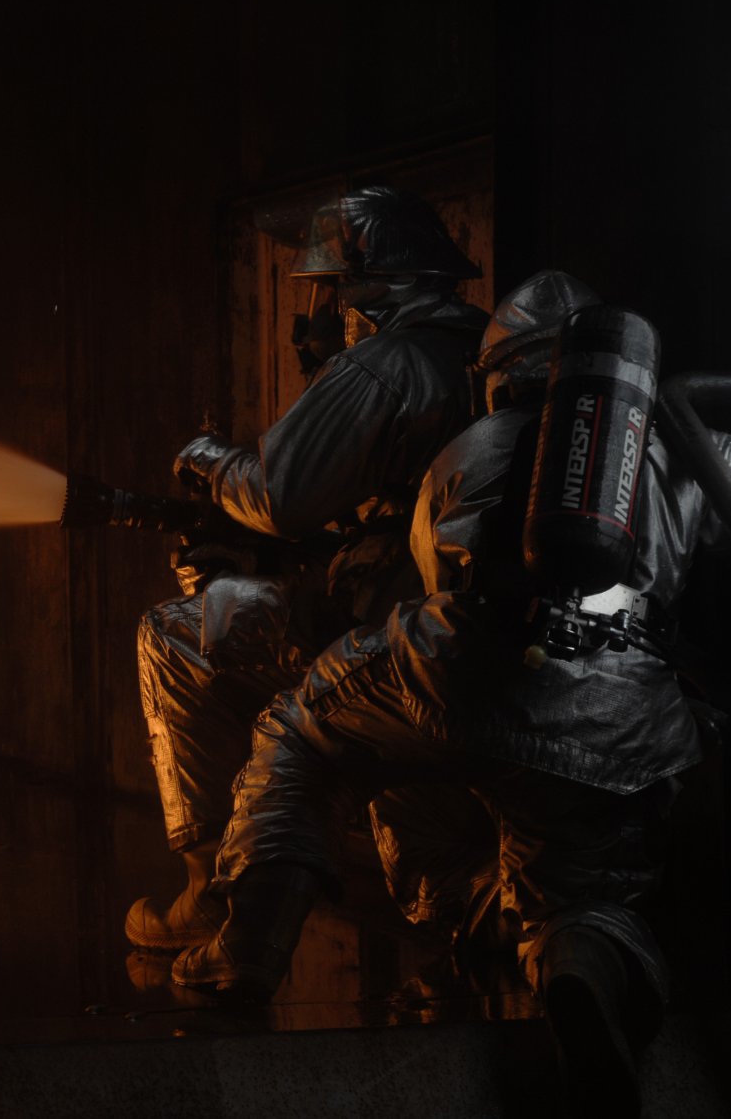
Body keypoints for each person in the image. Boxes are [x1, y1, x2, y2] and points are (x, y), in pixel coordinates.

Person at [175, 271, 731, 1114]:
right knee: (587, 892)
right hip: (621, 713)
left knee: (304, 730)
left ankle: (247, 952)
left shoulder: (469, 447)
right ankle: (579, 967)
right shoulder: (684, 447)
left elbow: (429, 577)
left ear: (501, 372)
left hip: (464, 672)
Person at [128, 186, 487, 950]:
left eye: (327, 287)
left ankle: (209, 895)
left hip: (383, 637)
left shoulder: (387, 364)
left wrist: (206, 461)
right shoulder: (480, 351)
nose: (320, 311)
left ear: (368, 285)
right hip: (465, 638)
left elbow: (275, 491)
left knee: (176, 635)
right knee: (434, 875)